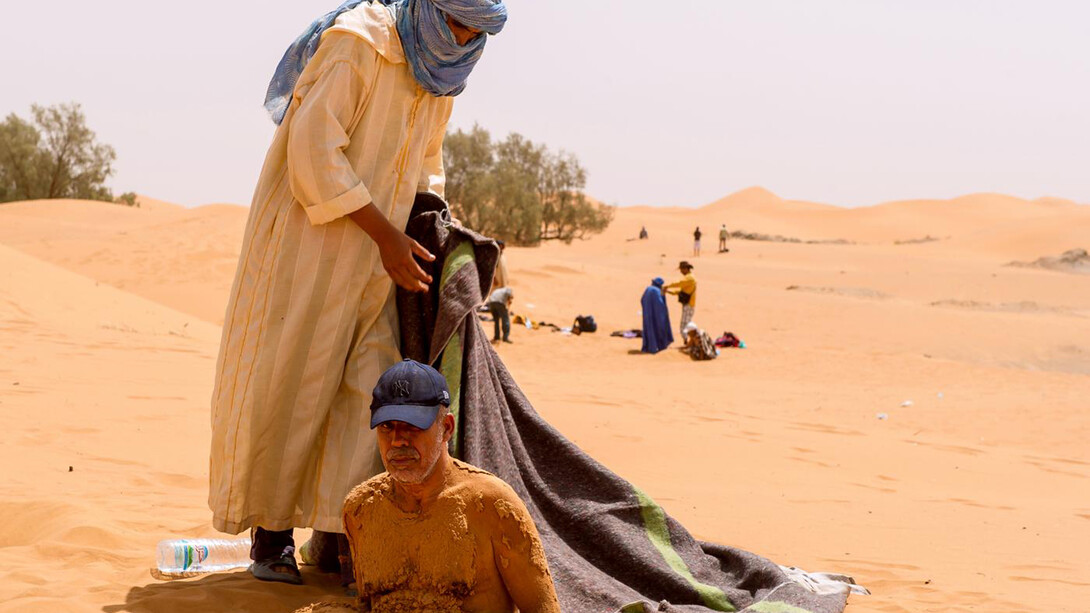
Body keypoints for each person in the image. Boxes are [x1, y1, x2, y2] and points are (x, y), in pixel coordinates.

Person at [208, 0, 508, 585]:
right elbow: (314, 154)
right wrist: (384, 236)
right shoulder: (358, 44)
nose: (463, 38)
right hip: (310, 251)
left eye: (476, 31)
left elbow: (427, 164)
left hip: (382, 261)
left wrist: (434, 231)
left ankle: (342, 532)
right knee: (294, 386)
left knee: (365, 393)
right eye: (455, 23)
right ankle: (270, 538)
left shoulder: (440, 74)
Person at [343, 360, 562, 612]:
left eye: (412, 426)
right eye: (386, 426)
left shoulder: (492, 506)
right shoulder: (361, 508)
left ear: (446, 428)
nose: (397, 441)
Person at [663, 261, 697, 338]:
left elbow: (679, 283)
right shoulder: (689, 277)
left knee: (684, 324)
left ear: (685, 269)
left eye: (681, 270)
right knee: (687, 323)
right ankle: (689, 341)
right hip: (688, 304)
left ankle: (687, 341)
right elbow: (681, 291)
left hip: (689, 305)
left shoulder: (689, 278)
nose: (681, 272)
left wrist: (667, 286)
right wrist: (668, 291)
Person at [640, 278, 673, 354]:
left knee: (648, 329)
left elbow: (642, 300)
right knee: (659, 329)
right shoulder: (657, 291)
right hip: (656, 315)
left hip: (647, 314)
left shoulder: (648, 289)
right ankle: (659, 346)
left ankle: (648, 347)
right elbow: (660, 304)